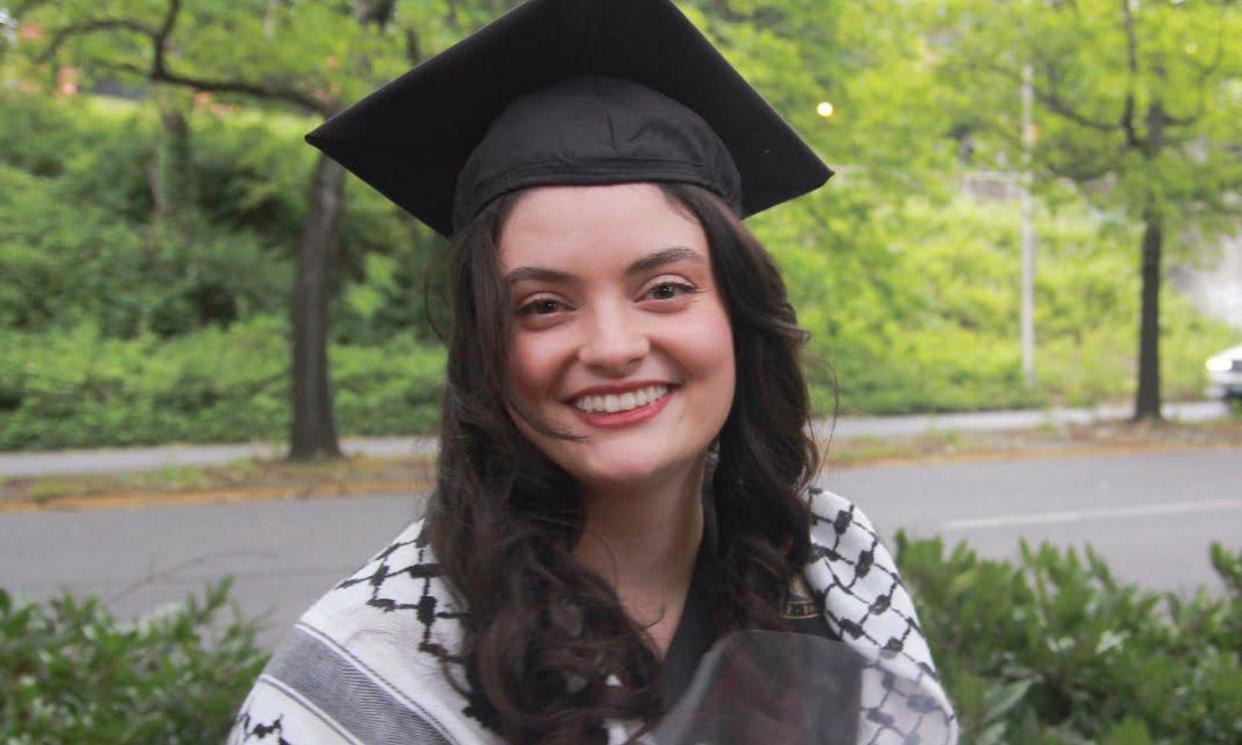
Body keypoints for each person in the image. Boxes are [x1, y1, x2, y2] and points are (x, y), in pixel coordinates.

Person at [228, 0, 956, 743]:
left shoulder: (830, 563)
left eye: (665, 289)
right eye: (544, 305)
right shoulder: (371, 665)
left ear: (738, 314)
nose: (612, 346)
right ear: (487, 348)